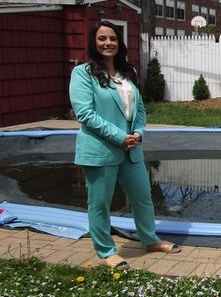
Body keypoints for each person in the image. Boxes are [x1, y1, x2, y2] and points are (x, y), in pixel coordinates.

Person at [69, 20, 181, 270]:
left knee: (143, 197)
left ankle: (150, 239)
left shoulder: (126, 75)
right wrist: (120, 136)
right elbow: (85, 114)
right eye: (102, 39)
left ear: (119, 44)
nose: (108, 43)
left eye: (112, 39)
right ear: (93, 42)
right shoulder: (82, 74)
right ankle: (106, 251)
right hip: (101, 150)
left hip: (132, 150)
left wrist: (138, 133)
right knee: (100, 203)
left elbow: (139, 110)